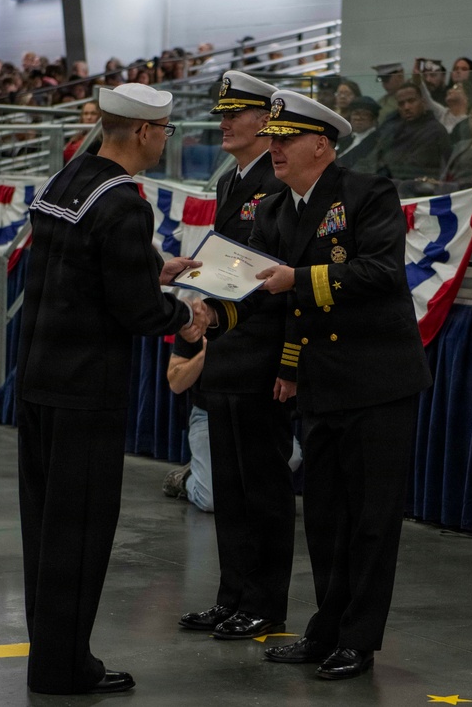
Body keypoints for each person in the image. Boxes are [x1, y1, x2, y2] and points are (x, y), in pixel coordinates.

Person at [200, 90, 432, 680]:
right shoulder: (279, 207)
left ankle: (358, 639)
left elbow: (381, 272)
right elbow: (258, 290)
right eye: (271, 139)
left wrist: (299, 279)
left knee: (372, 519)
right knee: (326, 517)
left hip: (377, 379)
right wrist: (200, 313)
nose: (274, 149)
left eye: (285, 139)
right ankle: (324, 629)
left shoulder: (366, 193)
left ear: (321, 145)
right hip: (323, 382)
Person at [15, 83, 207, 695]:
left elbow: (80, 264)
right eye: (165, 131)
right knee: (81, 531)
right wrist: (185, 317)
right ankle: (66, 668)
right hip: (88, 390)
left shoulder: (65, 180)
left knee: (45, 530)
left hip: (41, 380)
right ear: (146, 132)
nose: (164, 141)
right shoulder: (125, 201)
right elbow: (133, 310)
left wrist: (152, 267)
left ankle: (50, 654)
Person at [177, 70, 294, 641]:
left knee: (263, 488)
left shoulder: (279, 182)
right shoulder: (231, 182)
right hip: (225, 346)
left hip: (261, 353)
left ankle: (265, 602)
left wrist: (287, 363)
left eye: (237, 113)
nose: (224, 122)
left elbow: (279, 279)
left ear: (266, 122)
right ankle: (232, 595)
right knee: (230, 485)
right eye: (223, 113)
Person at [161, 335, 215, 512]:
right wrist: (205, 353)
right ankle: (187, 477)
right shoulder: (198, 321)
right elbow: (175, 384)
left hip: (252, 414)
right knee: (209, 500)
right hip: (208, 413)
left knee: (292, 456)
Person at [375, 81, 452, 189]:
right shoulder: (393, 131)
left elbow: (412, 168)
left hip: (420, 190)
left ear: (423, 102)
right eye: (401, 104)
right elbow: (379, 159)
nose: (406, 107)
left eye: (411, 101)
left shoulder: (435, 131)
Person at [336, 96, 381, 173]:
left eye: (365, 114)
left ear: (374, 119)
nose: (358, 118)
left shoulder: (378, 141)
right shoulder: (344, 137)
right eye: (355, 113)